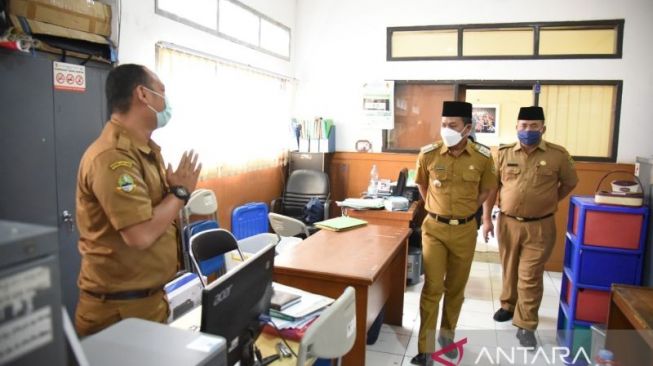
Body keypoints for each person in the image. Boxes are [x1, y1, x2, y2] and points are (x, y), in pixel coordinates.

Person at [74, 64, 201, 336]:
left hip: (148, 302)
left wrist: (173, 193)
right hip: (118, 314)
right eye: (162, 92)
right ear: (142, 94)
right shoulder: (113, 157)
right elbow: (140, 234)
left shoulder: (142, 151)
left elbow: (154, 216)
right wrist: (179, 195)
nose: (166, 101)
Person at [483, 106, 578, 347]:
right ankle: (508, 305)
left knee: (530, 275)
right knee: (509, 268)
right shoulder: (503, 153)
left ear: (543, 128)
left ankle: (526, 324)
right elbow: (492, 188)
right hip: (507, 222)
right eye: (523, 126)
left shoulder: (558, 155)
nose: (528, 130)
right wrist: (485, 220)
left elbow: (569, 183)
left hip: (540, 226)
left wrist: (548, 200)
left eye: (533, 126)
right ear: (516, 127)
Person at [411, 101, 498, 365]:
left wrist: (471, 211)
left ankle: (446, 338)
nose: (446, 129)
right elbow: (422, 185)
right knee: (432, 287)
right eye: (444, 124)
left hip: (464, 231)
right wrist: (434, 208)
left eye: (453, 125)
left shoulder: (483, 157)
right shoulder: (429, 153)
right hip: (434, 230)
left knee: (456, 289)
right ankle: (425, 348)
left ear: (467, 128)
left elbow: (487, 190)